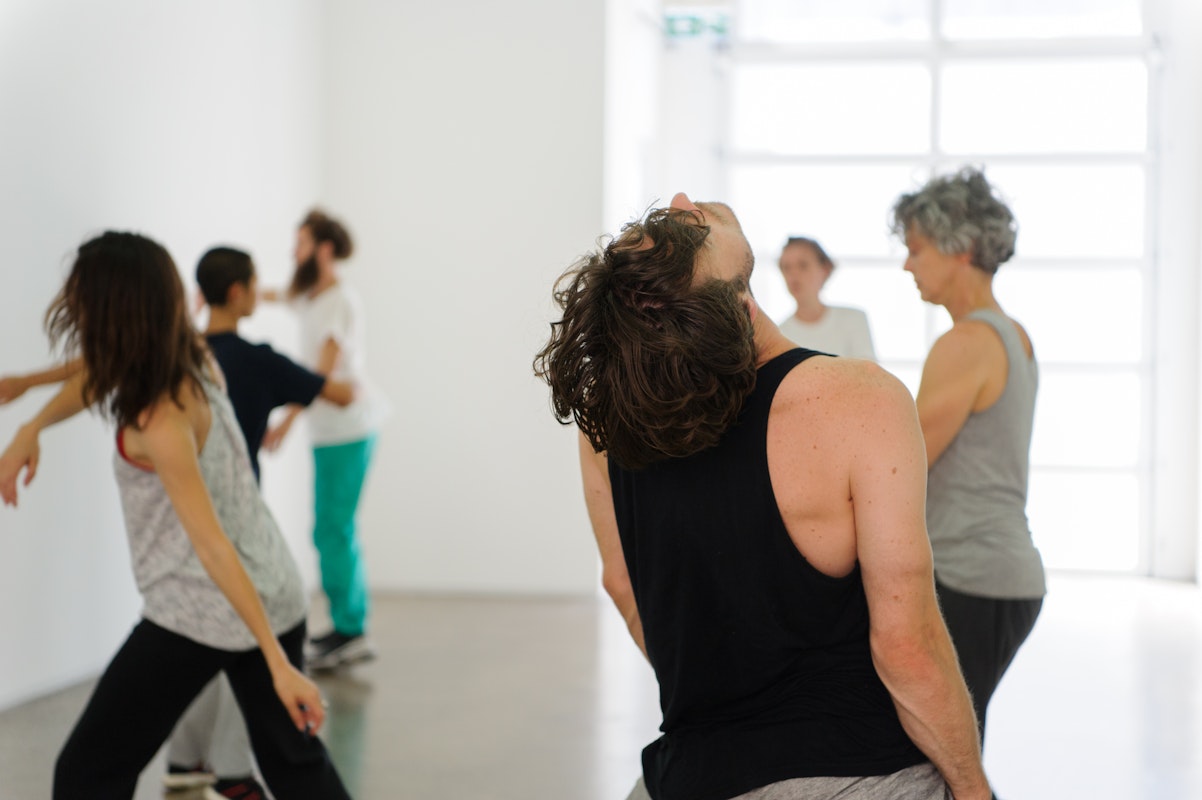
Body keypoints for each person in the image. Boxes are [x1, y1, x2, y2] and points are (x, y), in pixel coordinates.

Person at [534, 194, 992, 800]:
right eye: (674, 241)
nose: (679, 201)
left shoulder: (609, 425)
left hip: (687, 775)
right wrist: (976, 790)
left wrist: (725, 701)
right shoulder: (860, 399)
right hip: (855, 774)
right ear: (725, 308)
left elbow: (622, 587)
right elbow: (907, 644)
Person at [0, 231, 351, 799]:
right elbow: (98, 370)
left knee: (87, 773)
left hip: (201, 607)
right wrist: (30, 419)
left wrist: (278, 664)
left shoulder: (158, 420)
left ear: (109, 309)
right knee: (295, 766)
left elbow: (211, 547)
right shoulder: (191, 354)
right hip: (271, 584)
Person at [891, 167, 1046, 742]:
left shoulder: (965, 344)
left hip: (970, 576)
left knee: (941, 752)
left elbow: (904, 464)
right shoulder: (1013, 334)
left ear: (961, 248)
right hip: (1003, 575)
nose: (907, 265)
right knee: (951, 744)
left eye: (917, 249)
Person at [263, 209, 384, 671]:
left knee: (333, 528)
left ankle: (351, 630)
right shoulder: (312, 296)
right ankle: (347, 626)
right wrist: (228, 291)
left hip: (347, 430)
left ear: (324, 249)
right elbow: (278, 294)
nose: (294, 252)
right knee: (332, 528)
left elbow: (321, 372)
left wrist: (286, 420)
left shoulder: (338, 301)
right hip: (330, 433)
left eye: (301, 243)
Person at [776, 236, 876, 360]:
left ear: (825, 269)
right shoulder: (779, 336)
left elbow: (869, 375)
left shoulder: (854, 320)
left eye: (803, 265)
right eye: (786, 267)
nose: (794, 274)